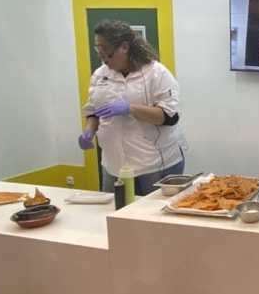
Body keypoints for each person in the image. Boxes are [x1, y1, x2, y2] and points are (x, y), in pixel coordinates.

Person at [78, 20, 189, 195]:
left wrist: (130, 108)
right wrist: (89, 131)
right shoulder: (100, 75)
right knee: (115, 209)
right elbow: (93, 111)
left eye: (108, 54)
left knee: (150, 211)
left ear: (124, 47)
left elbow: (169, 117)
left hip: (153, 164)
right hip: (113, 164)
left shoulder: (156, 73)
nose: (105, 60)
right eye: (100, 54)